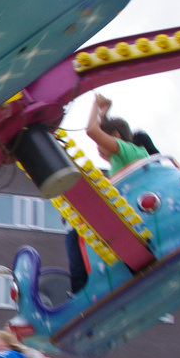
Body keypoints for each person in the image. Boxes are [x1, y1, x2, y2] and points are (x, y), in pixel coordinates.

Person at [66, 93, 152, 294]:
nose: (98, 148)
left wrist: (95, 105)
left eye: (101, 143)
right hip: (133, 215)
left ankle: (80, 290)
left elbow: (92, 131)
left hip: (130, 219)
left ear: (116, 136)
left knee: (74, 234)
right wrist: (104, 114)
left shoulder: (128, 150)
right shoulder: (126, 158)